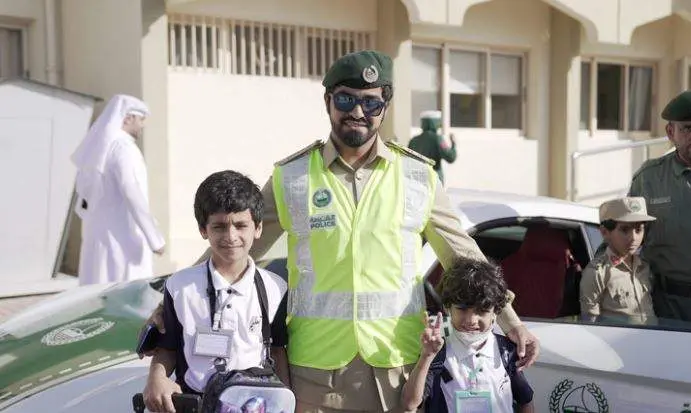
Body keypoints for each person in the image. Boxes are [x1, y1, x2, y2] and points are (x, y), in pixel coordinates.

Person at [145, 50, 539, 413]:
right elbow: (234, 247)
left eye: (371, 102)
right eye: (347, 99)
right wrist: (172, 302)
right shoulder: (292, 176)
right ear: (328, 102)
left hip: (397, 366)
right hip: (315, 370)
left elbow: (462, 255)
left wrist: (512, 322)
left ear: (384, 108)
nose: (358, 112)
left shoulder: (418, 175)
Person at [142, 170, 288, 413]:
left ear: (258, 228)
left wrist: (286, 402)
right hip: (196, 403)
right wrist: (156, 378)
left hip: (255, 405)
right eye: (219, 227)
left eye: (241, 226)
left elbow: (278, 351)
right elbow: (167, 347)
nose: (231, 236)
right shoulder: (180, 287)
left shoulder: (275, 288)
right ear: (203, 229)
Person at [401, 257, 534, 413]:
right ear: (448, 307)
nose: (471, 320)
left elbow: (526, 401)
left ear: (495, 312)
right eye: (463, 309)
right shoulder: (438, 352)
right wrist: (426, 357)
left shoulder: (506, 351)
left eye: (482, 311)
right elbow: (409, 404)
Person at [71, 94, 165, 285]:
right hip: (123, 241)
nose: (142, 125)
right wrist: (155, 239)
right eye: (140, 119)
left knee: (98, 294)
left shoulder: (103, 148)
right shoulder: (123, 148)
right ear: (127, 118)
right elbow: (132, 193)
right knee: (124, 297)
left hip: (100, 238)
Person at [627, 90, 691, 322]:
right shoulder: (649, 179)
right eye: (688, 128)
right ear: (671, 132)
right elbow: (623, 234)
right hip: (669, 306)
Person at [579, 197, 656, 325]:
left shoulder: (644, 267)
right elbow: (590, 324)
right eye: (625, 230)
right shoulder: (598, 273)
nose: (633, 238)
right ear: (604, 232)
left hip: (655, 341)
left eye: (638, 230)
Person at [408, 110, 457, 184]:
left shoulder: (413, 140)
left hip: (417, 182)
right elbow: (450, 157)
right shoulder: (437, 139)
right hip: (434, 182)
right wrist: (453, 144)